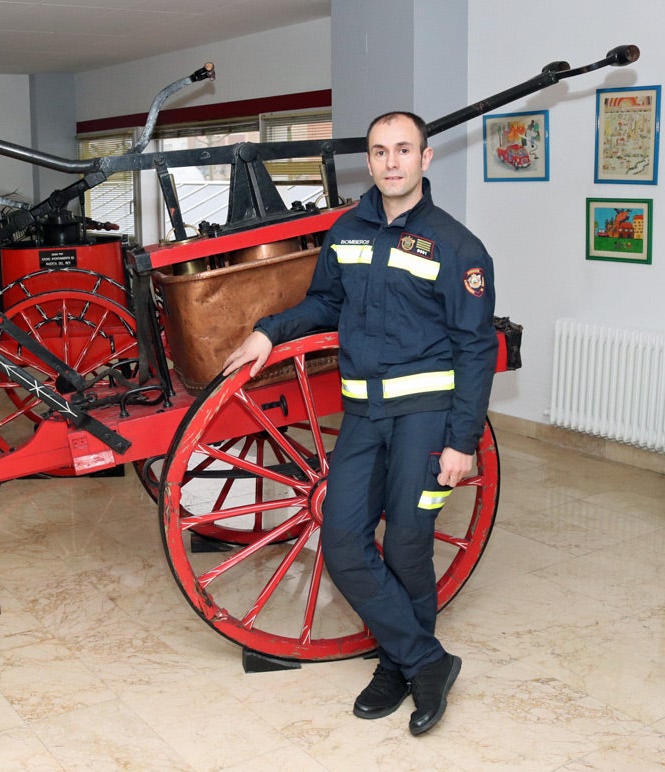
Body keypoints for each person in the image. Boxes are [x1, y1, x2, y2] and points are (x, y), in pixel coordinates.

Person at [222, 111, 497, 736]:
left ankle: (399, 663)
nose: (391, 162)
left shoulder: (459, 248)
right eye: (379, 151)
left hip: (426, 419)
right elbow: (327, 302)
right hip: (363, 417)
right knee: (343, 541)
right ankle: (425, 661)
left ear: (426, 159)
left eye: (404, 150)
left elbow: (475, 348)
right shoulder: (348, 230)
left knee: (405, 543)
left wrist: (463, 441)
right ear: (369, 162)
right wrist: (271, 330)